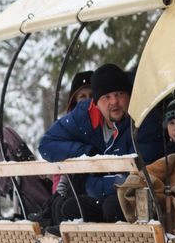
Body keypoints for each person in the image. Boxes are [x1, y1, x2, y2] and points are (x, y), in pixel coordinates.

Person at [38, 63, 161, 222]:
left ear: (129, 95)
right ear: (96, 103)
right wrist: (88, 154)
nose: (114, 101)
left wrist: (91, 183)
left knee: (112, 207)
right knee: (69, 208)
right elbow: (47, 145)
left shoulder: (143, 119)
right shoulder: (84, 115)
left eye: (119, 94)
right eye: (106, 97)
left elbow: (138, 175)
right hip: (102, 194)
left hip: (136, 197)